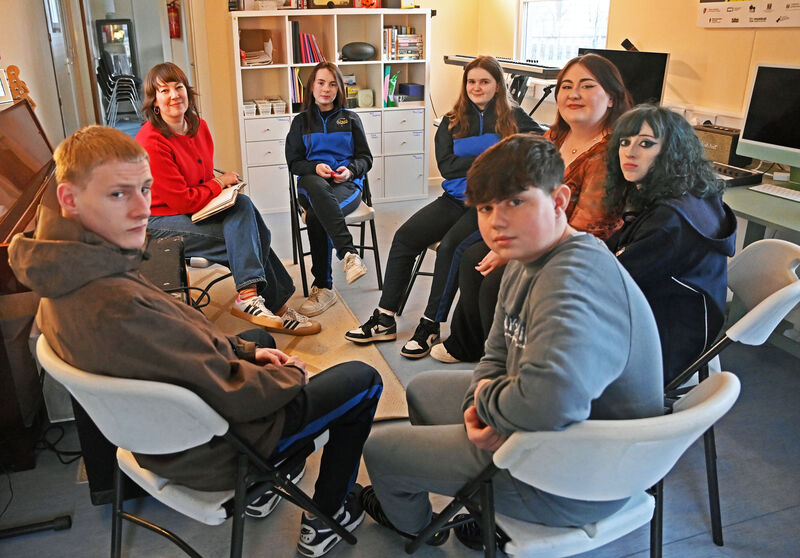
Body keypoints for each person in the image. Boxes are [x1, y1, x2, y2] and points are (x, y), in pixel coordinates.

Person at [9, 126, 382, 558]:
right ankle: (326, 516)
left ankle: (261, 493)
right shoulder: (116, 303)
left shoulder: (62, 269)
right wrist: (290, 377)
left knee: (256, 336)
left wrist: (246, 351)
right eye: (118, 194)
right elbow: (234, 393)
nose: (140, 210)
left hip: (160, 432)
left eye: (144, 190)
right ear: (70, 199)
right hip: (217, 449)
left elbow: (186, 344)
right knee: (363, 380)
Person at [356, 134, 663, 544]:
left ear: (558, 201)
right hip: (547, 438)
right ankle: (476, 504)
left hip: (580, 478)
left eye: (515, 202)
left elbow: (551, 403)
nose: (496, 221)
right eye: (485, 208)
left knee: (379, 450)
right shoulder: (527, 255)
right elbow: (496, 350)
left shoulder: (575, 280)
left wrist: (486, 406)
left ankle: (419, 528)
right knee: (423, 391)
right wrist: (482, 404)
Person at [433, 53, 633, 363]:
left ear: (611, 98)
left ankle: (508, 366)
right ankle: (470, 345)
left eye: (586, 85)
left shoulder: (608, 154)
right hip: (540, 232)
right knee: (473, 259)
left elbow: (589, 228)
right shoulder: (556, 136)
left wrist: (518, 248)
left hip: (575, 252)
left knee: (495, 283)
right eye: (566, 86)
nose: (574, 94)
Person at [346, 56, 544, 358]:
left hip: (488, 206)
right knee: (404, 237)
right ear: (465, 86)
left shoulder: (514, 117)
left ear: (497, 85)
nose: (477, 87)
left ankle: (430, 324)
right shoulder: (452, 121)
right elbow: (448, 168)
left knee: (452, 247)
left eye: (484, 81)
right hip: (452, 200)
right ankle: (385, 317)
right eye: (471, 81)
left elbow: (543, 143)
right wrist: (497, 157)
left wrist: (510, 168)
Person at [135, 62, 319, 335]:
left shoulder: (199, 127)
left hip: (192, 212)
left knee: (243, 208)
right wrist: (219, 183)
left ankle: (257, 300)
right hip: (159, 221)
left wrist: (216, 186)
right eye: (164, 90)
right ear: (154, 102)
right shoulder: (151, 140)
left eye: (179, 87)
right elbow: (183, 201)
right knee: (247, 238)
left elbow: (202, 177)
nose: (174, 95)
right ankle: (263, 303)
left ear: (188, 91)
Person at [604, 105, 736, 385]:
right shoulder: (693, 193)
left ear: (670, 151)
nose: (629, 152)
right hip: (687, 324)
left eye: (646, 144)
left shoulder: (668, 220)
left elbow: (611, 282)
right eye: (624, 142)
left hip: (663, 347)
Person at [285, 62, 373, 317]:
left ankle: (324, 287)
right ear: (311, 87)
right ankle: (348, 253)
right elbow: (294, 163)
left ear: (339, 89)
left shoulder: (351, 119)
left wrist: (351, 170)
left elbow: (365, 158)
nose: (326, 89)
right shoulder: (300, 122)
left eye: (332, 84)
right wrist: (314, 167)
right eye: (321, 83)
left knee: (315, 216)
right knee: (313, 182)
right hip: (311, 185)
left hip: (346, 185)